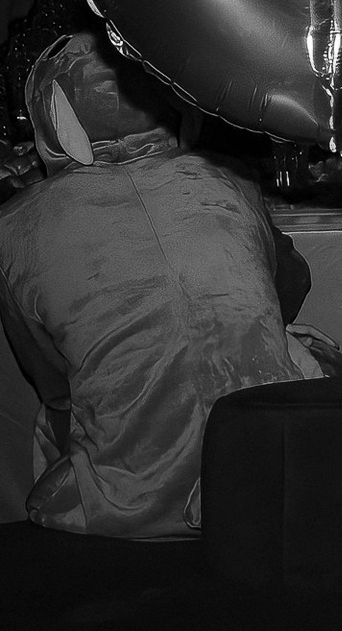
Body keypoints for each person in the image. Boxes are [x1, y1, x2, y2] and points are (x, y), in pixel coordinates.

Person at [0, 31, 323, 539]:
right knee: (307, 352)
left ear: (53, 117)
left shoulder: (17, 226)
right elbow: (290, 289)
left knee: (58, 415)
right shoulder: (227, 179)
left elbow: (49, 377)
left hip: (131, 499)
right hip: (269, 470)